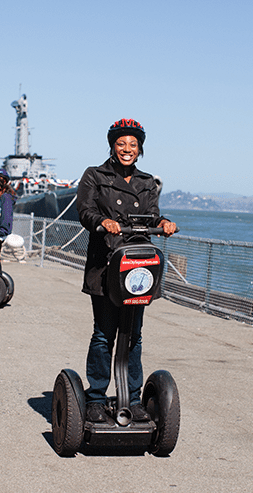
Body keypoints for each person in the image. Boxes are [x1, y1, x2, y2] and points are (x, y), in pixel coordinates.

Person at [76, 118, 177, 423]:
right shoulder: (95, 175)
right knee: (104, 334)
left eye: (133, 144)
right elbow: (85, 211)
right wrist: (102, 221)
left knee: (133, 335)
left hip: (137, 266)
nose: (127, 149)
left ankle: (133, 399)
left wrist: (163, 223)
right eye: (121, 143)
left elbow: (153, 215)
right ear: (112, 145)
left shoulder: (147, 182)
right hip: (106, 265)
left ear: (140, 148)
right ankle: (95, 397)